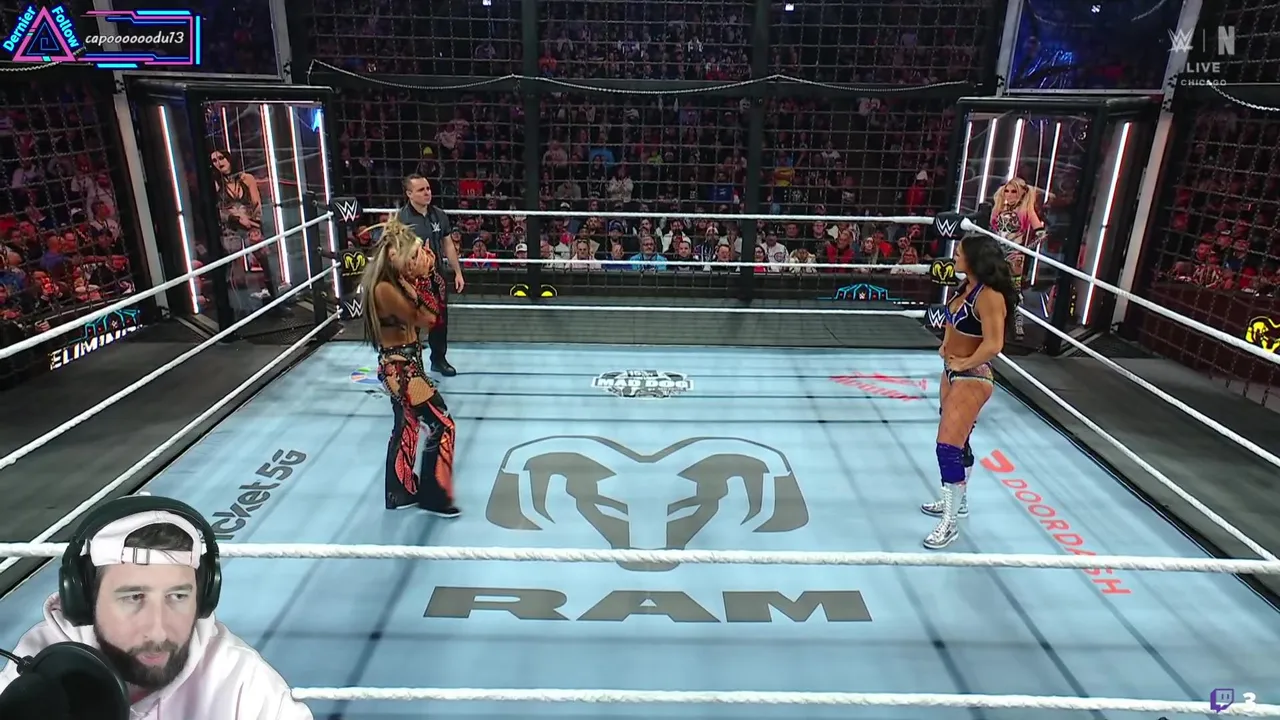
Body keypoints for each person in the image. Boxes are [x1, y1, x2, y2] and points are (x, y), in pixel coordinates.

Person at [0, 495, 313, 718]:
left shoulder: (242, 683)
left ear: (204, 597)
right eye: (134, 597)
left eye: (178, 596)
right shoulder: (39, 665)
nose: (159, 630)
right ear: (85, 598)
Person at [920, 234, 1019, 549]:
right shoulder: (966, 288)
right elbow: (953, 322)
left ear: (974, 259)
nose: (955, 256)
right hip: (952, 373)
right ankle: (958, 502)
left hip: (972, 377)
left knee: (947, 446)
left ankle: (949, 523)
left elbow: (994, 344)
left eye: (960, 253)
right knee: (959, 441)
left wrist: (965, 362)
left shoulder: (990, 296)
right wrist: (946, 347)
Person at [359, 218, 460, 517]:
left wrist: (425, 276)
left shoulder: (398, 282)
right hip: (401, 370)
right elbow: (428, 318)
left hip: (405, 364)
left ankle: (399, 492)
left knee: (407, 426)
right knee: (442, 424)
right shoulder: (384, 289)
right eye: (414, 255)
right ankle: (434, 495)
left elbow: (434, 306)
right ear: (395, 257)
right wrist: (425, 279)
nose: (420, 259)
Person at [396, 175, 464, 376]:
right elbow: (394, 250)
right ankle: (412, 363)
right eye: (421, 190)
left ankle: (439, 359)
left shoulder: (439, 215)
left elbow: (448, 244)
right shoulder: (401, 219)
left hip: (437, 276)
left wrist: (458, 272)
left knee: (439, 319)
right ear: (409, 194)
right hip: (411, 277)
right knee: (411, 320)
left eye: (428, 188)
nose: (427, 193)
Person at [210, 150, 279, 304]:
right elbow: (217, 211)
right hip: (230, 228)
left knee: (265, 259)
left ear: (229, 158)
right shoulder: (216, 184)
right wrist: (235, 218)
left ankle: (275, 298)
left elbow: (256, 204)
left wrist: (254, 224)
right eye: (214, 161)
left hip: (250, 225)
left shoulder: (247, 178)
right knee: (234, 265)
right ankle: (241, 305)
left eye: (221, 158)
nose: (219, 163)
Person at [989, 177, 1048, 339]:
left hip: (1014, 255)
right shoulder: (999, 208)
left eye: (1013, 191)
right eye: (1007, 191)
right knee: (993, 287)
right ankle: (993, 323)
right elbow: (992, 230)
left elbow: (1042, 234)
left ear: (1021, 193)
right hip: (997, 252)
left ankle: (1017, 326)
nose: (1009, 194)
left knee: (1015, 292)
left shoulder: (1026, 211)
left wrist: (1025, 249)